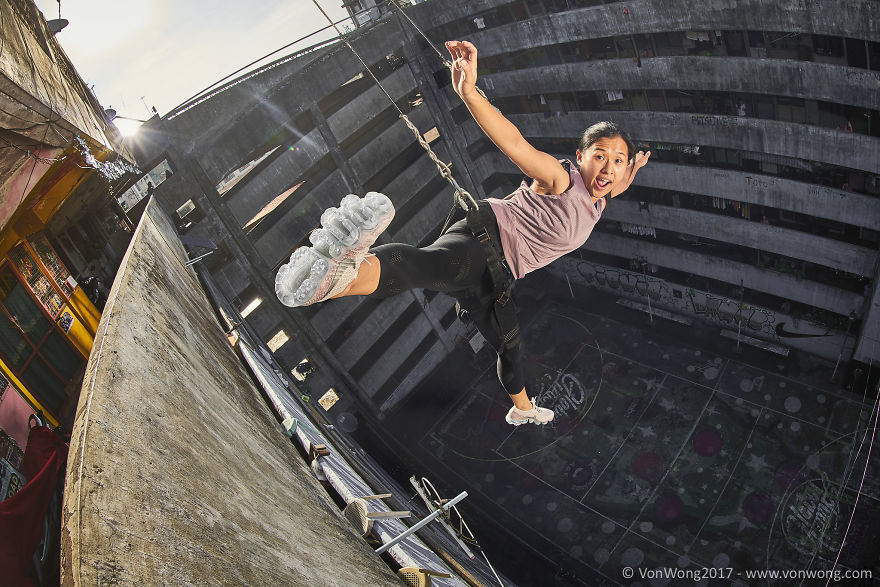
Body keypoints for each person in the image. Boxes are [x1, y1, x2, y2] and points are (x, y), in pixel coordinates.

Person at [275, 40, 650, 427]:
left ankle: (523, 408)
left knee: (510, 347)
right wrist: (468, 91)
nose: (607, 168)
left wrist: (630, 170)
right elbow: (514, 142)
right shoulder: (561, 179)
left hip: (499, 276)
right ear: (580, 156)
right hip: (487, 242)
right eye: (600, 156)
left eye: (617, 162)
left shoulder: (601, 197)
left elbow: (616, 184)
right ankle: (339, 273)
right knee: (428, 265)